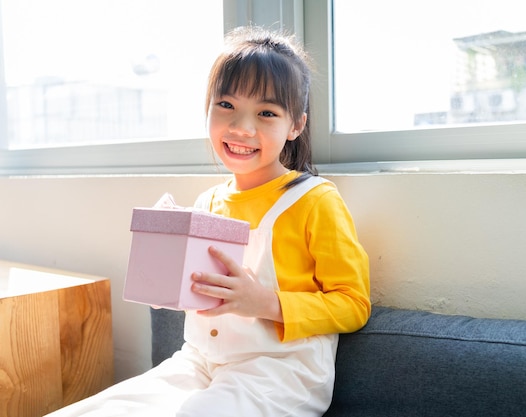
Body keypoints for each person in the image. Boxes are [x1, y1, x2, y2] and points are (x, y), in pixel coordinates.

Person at [46, 26, 370, 417]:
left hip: (278, 371)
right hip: (199, 362)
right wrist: (162, 270)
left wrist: (264, 302)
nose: (242, 128)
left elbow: (353, 305)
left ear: (296, 125)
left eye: (267, 113)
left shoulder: (314, 199)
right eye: (227, 106)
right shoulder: (207, 202)